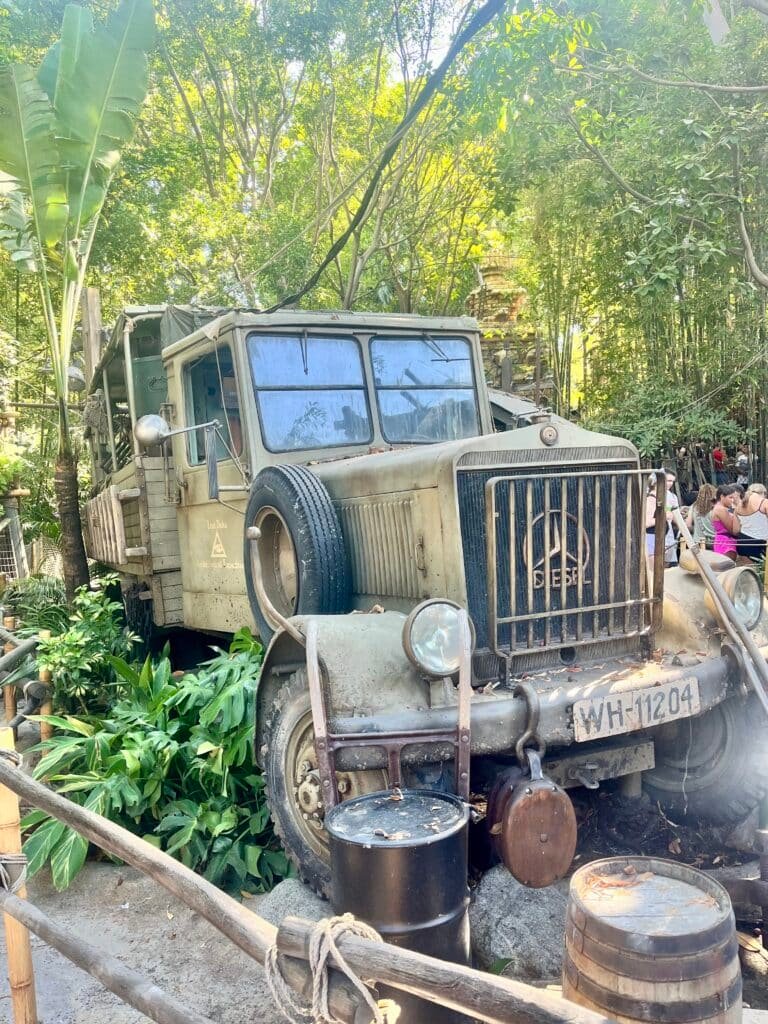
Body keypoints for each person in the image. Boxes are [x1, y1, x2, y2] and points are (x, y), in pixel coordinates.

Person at [736, 482, 768, 562]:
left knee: (750, 572)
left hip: (742, 543)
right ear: (764, 493)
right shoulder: (764, 502)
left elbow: (735, 530)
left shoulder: (739, 505)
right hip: (761, 544)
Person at [711, 484, 741, 560]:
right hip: (725, 543)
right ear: (722, 497)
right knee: (728, 569)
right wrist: (736, 511)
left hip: (725, 541)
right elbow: (732, 530)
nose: (732, 500)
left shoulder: (720, 508)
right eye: (730, 497)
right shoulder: (721, 509)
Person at [685, 483, 716, 549]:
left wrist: (696, 529)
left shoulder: (694, 506)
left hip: (698, 541)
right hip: (714, 542)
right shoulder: (716, 507)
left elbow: (688, 525)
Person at [663, 471, 680, 566]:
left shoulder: (672, 497)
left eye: (672, 481)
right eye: (668, 480)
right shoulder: (649, 494)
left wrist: (682, 528)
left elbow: (675, 516)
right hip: (652, 532)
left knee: (668, 562)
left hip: (668, 533)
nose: (670, 483)